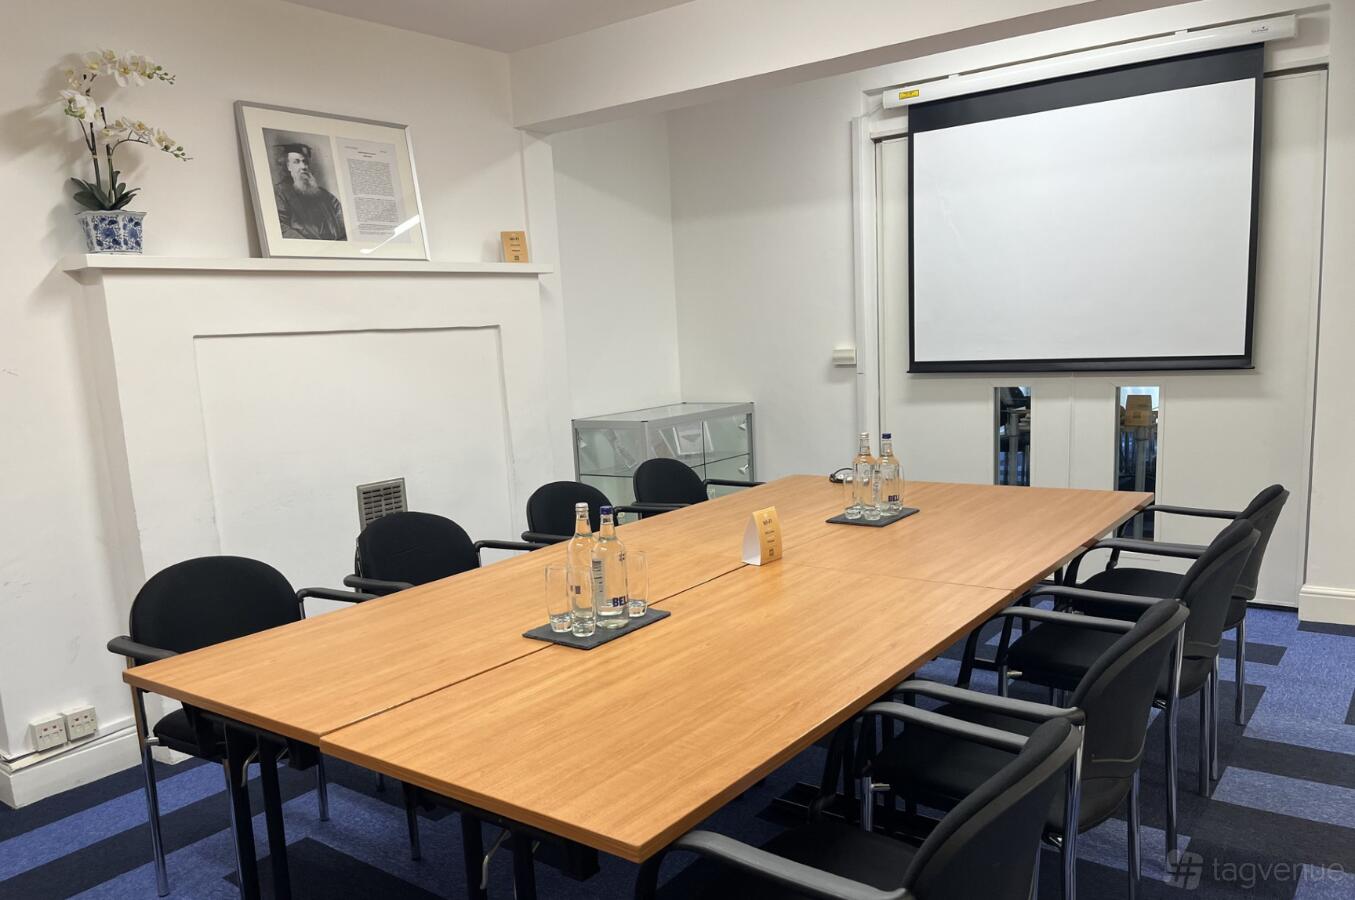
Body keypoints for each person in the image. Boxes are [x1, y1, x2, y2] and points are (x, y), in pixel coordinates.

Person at [272, 142, 347, 241]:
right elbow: (280, 226)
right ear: (288, 166)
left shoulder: (324, 194)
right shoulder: (280, 192)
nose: (303, 166)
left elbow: (344, 223)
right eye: (296, 162)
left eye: (305, 161)